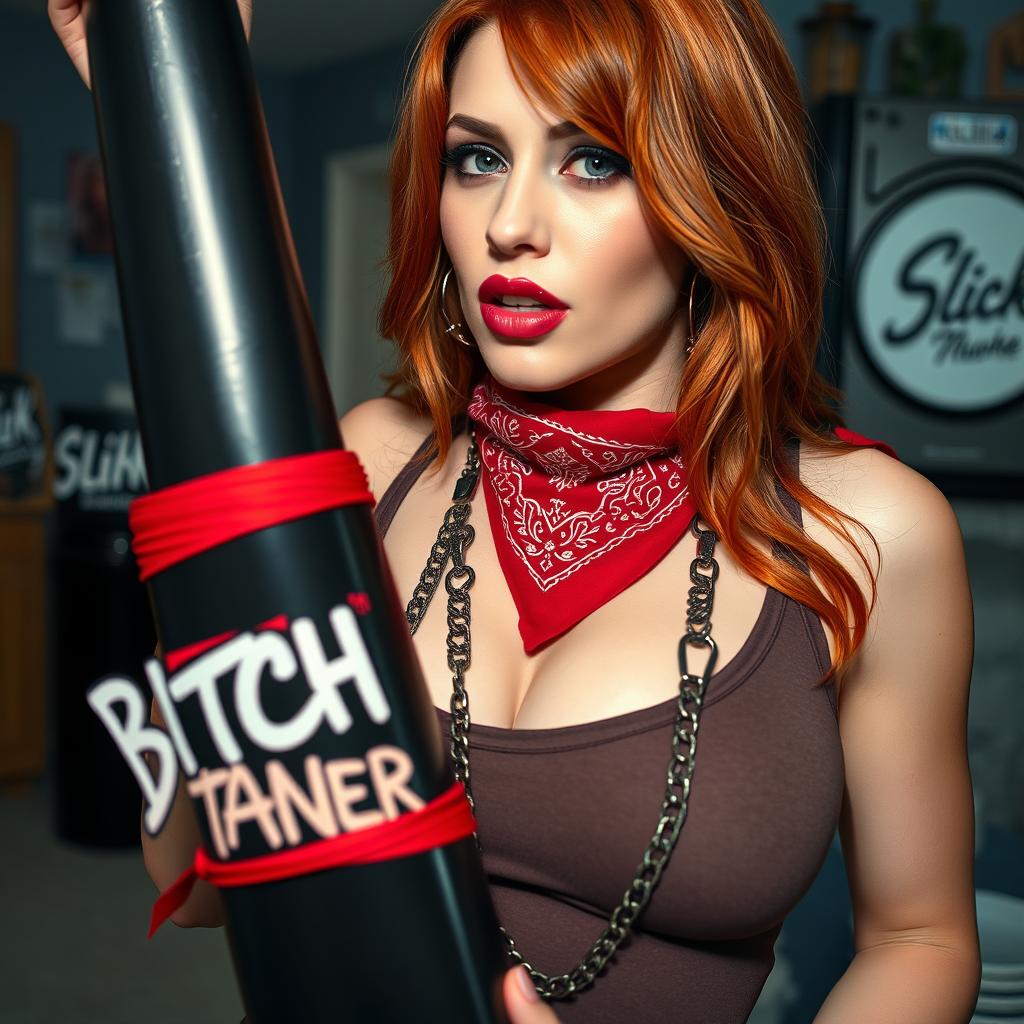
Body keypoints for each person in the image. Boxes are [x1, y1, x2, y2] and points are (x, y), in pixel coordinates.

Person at [50, 1, 982, 1022]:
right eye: (477, 159)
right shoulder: (370, 461)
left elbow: (919, 939)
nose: (508, 225)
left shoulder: (869, 532)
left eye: (591, 161)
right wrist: (166, 102)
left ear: (714, 187)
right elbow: (193, 883)